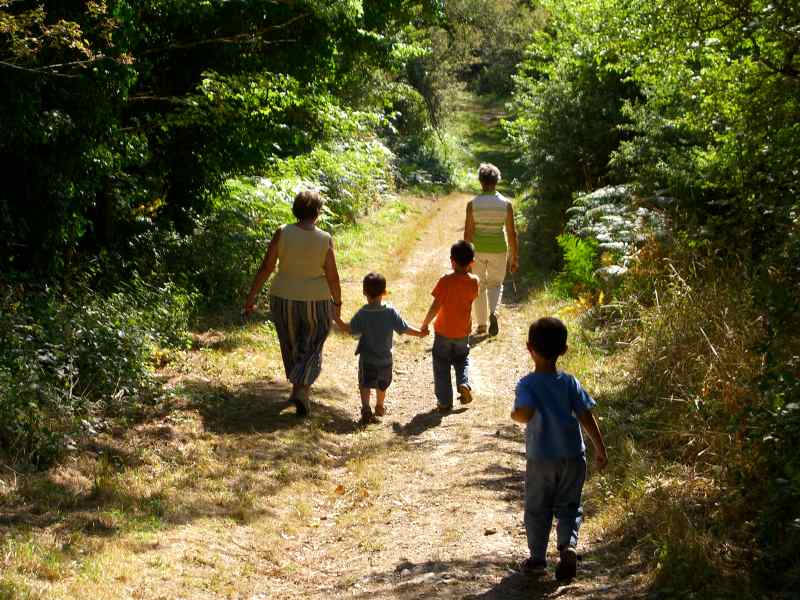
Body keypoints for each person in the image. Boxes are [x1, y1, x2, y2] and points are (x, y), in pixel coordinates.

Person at [511, 317, 608, 581]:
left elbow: (525, 412)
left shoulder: (527, 384)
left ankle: (538, 559)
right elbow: (586, 415)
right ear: (563, 350)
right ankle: (568, 545)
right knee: (569, 506)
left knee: (537, 508)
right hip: (573, 457)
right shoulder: (570, 382)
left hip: (541, 459)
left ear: (528, 347)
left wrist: (516, 415)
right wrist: (600, 447)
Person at [244, 190, 343, 417]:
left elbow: (267, 267)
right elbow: (332, 276)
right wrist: (337, 302)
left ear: (296, 210)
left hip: (283, 297)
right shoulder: (324, 239)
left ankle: (298, 389)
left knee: (290, 343)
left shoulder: (282, 232)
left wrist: (251, 298)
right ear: (317, 213)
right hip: (315, 300)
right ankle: (301, 390)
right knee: (313, 344)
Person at [336, 272, 427, 423]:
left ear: (364, 292)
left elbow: (350, 329)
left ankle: (366, 407)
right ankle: (379, 405)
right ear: (384, 292)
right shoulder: (390, 312)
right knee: (382, 385)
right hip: (385, 359)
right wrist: (419, 333)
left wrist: (336, 319)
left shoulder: (363, 313)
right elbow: (404, 328)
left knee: (365, 384)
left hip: (367, 359)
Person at [420, 241, 480, 413]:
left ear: (451, 261)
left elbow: (435, 307)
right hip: (462, 333)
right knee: (462, 360)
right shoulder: (474, 281)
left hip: (443, 333)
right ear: (472, 263)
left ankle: (445, 402)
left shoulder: (445, 281)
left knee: (441, 366)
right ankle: (464, 383)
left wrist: (424, 325)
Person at [464, 163, 519, 336]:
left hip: (478, 249)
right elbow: (512, 233)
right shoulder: (506, 204)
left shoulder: (473, 204)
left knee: (477, 286)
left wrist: (465, 257)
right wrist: (514, 257)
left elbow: (468, 233)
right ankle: (493, 312)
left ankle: (481, 325)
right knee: (495, 284)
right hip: (498, 250)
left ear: (481, 181)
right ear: (497, 181)